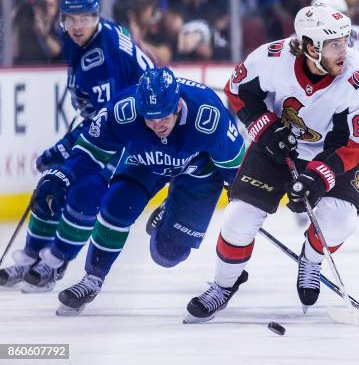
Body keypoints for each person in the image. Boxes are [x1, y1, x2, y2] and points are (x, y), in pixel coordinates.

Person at [182, 4, 359, 323]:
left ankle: (311, 261)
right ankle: (222, 286)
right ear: (311, 47)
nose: (345, 50)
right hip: (277, 148)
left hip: (332, 155)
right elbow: (238, 91)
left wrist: (317, 178)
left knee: (340, 221)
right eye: (335, 44)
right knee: (237, 218)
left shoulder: (356, 77)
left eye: (346, 41)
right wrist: (266, 129)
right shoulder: (272, 58)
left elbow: (353, 143)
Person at [32, 68, 245, 315]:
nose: (157, 125)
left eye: (164, 116)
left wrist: (242, 193)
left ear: (177, 105)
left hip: (197, 173)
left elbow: (236, 168)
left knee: (166, 254)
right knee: (115, 206)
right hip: (145, 162)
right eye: (149, 118)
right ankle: (92, 279)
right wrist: (61, 178)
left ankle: (171, 207)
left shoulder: (209, 116)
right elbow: (90, 153)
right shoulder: (124, 111)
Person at [0, 0, 154, 291]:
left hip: (135, 129)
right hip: (116, 119)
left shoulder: (102, 55)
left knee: (85, 190)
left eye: (85, 17)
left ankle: (55, 262)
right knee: (54, 183)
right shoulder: (80, 37)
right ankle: (31, 257)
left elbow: (105, 122)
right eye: (71, 18)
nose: (77, 24)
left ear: (97, 16)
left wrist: (61, 147)